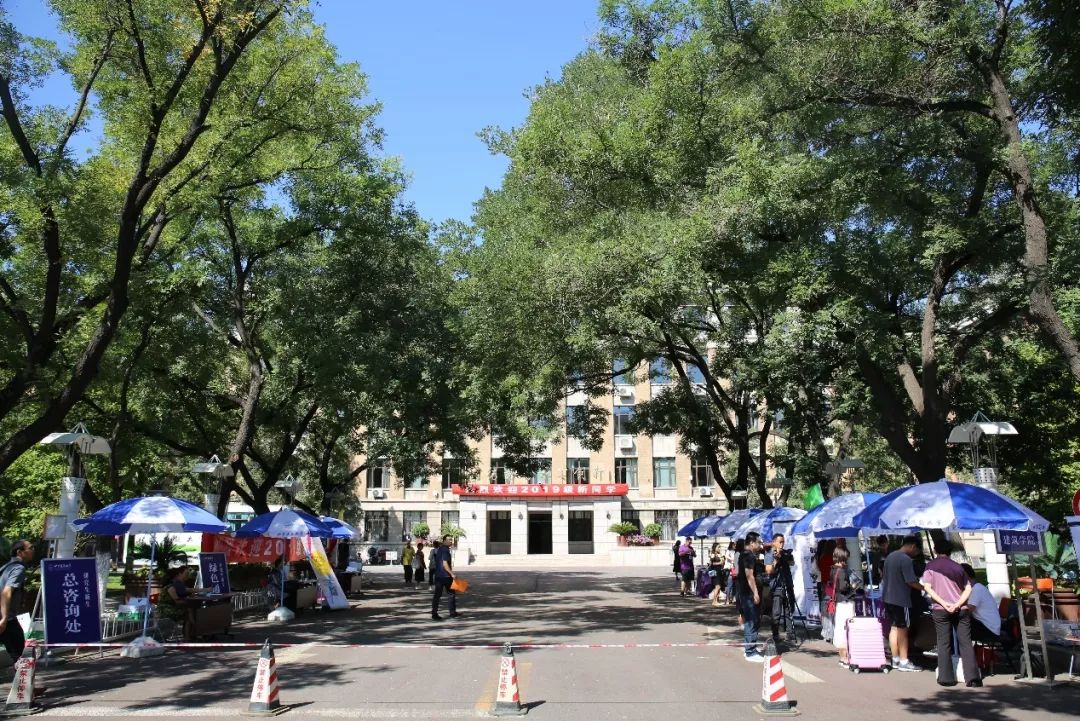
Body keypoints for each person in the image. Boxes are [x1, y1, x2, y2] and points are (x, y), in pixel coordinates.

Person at [921, 541, 979, 687]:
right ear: (950, 551)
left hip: (940, 609)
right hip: (961, 609)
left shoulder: (931, 566)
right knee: (966, 642)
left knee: (943, 642)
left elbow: (927, 587)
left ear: (935, 550)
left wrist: (943, 603)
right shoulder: (958, 567)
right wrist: (958, 604)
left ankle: (946, 678)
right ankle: (972, 678)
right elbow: (968, 588)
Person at [882, 535, 925, 672]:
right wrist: (925, 588)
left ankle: (895, 658)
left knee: (894, 628)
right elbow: (911, 581)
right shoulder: (906, 560)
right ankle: (904, 660)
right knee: (903, 629)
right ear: (912, 546)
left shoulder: (890, 557)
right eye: (916, 551)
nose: (916, 554)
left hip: (888, 598)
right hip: (901, 599)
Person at [0, 540, 34, 664]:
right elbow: (6, 592)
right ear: (20, 552)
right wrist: (4, 618)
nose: (33, 550)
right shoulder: (18, 568)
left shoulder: (5, 567)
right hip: (6, 620)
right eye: (30, 548)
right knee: (20, 657)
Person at [828, 546, 862, 667]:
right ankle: (846, 657)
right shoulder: (842, 571)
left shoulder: (833, 569)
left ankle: (842, 657)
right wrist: (853, 587)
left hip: (838, 601)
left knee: (840, 629)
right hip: (845, 602)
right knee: (846, 629)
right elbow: (843, 587)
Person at [736, 532, 765, 662]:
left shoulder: (745, 554)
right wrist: (755, 593)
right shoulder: (748, 556)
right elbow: (749, 576)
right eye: (758, 542)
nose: (760, 545)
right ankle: (750, 652)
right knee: (752, 621)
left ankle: (750, 647)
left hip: (746, 592)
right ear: (752, 543)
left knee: (752, 620)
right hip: (749, 594)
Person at [764, 533, 794, 645]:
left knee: (789, 610)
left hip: (787, 584)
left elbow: (792, 563)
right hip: (777, 586)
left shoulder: (784, 553)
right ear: (774, 542)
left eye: (783, 542)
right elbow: (768, 570)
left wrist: (785, 557)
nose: (782, 544)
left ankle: (790, 635)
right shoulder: (769, 554)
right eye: (780, 542)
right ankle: (776, 635)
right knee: (776, 613)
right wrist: (776, 560)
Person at [960, 563, 1002, 643]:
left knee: (958, 622)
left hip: (989, 630)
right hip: (988, 627)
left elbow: (968, 610)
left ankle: (958, 648)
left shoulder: (977, 589)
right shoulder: (976, 588)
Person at [809, 539, 837, 642]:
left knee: (824, 607)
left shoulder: (819, 557)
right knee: (832, 608)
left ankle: (826, 630)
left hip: (822, 584)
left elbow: (814, 571)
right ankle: (832, 630)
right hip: (832, 585)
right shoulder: (833, 559)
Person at [431, 534, 459, 621]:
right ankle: (452, 613)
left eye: (451, 539)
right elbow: (445, 563)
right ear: (444, 541)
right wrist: (452, 574)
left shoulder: (440, 549)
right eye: (449, 540)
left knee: (437, 595)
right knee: (451, 594)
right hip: (446, 576)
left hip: (438, 576)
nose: (451, 541)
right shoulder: (445, 550)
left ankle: (434, 613)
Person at [708, 542, 726, 607]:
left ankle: (717, 601)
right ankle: (714, 601)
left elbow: (722, 564)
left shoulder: (720, 554)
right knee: (717, 586)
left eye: (720, 547)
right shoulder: (713, 555)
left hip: (719, 571)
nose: (719, 548)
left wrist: (723, 561)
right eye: (718, 547)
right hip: (715, 572)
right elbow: (710, 564)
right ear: (715, 548)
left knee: (719, 587)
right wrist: (719, 563)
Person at [724, 540, 741, 605]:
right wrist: (733, 560)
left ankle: (733, 598)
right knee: (729, 585)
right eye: (734, 544)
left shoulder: (736, 552)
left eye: (736, 544)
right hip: (729, 569)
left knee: (735, 585)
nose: (735, 546)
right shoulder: (728, 551)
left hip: (735, 569)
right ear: (731, 545)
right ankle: (727, 599)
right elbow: (726, 556)